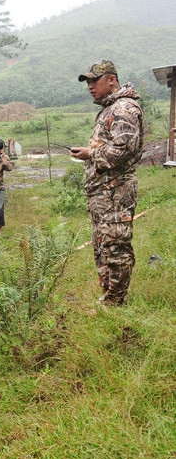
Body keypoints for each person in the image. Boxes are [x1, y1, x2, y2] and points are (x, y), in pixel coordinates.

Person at [71, 60, 144, 306]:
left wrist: (89, 154)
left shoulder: (123, 108)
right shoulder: (108, 109)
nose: (90, 86)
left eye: (95, 80)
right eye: (88, 82)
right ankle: (108, 297)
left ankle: (115, 302)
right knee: (103, 246)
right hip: (102, 193)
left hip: (116, 192)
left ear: (111, 79)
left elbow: (122, 150)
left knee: (115, 247)